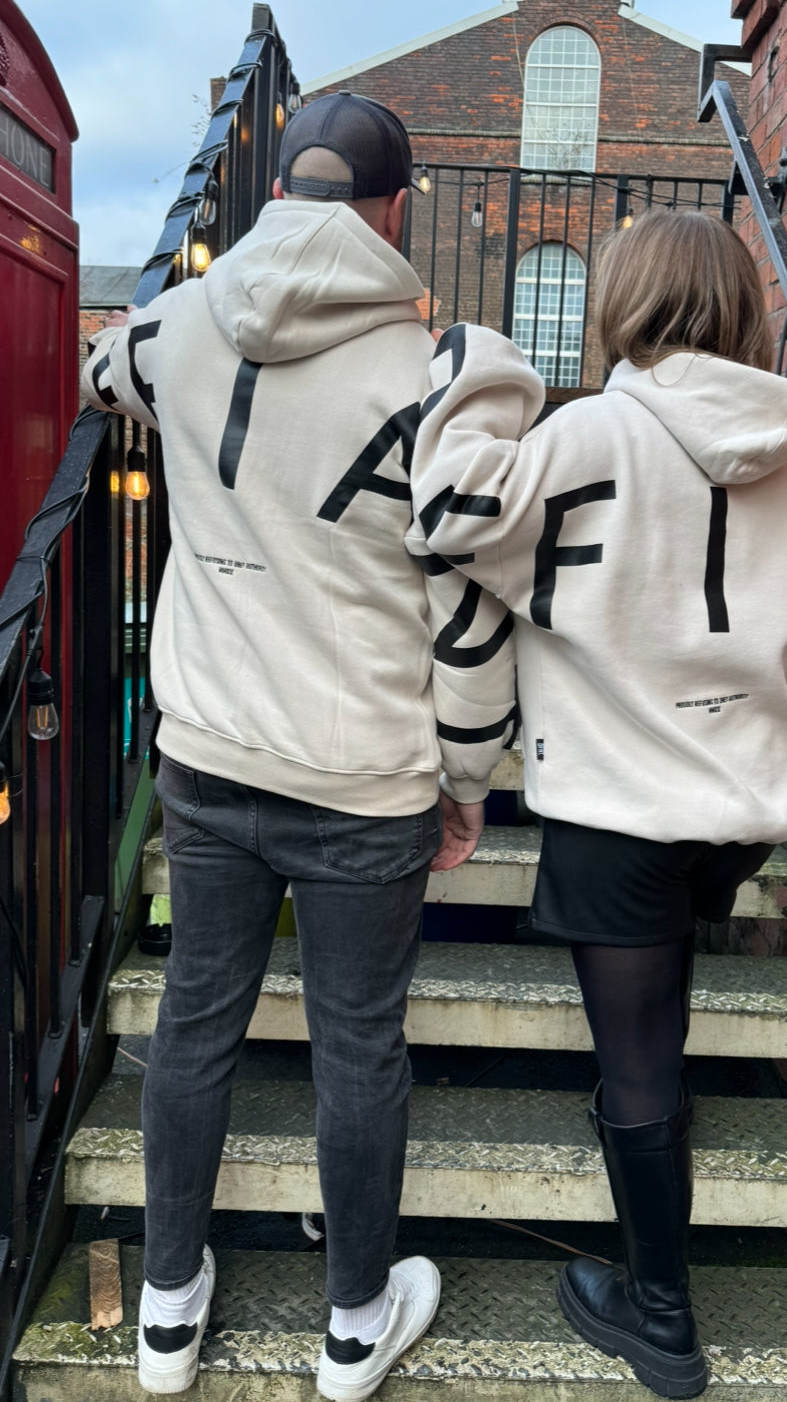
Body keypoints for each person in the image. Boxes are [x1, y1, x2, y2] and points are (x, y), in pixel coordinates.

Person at [81, 93, 519, 1399]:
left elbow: (102, 366)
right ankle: (348, 1331)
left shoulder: (176, 330)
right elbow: (468, 608)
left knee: (193, 1021)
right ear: (393, 211)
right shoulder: (440, 375)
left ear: (274, 193)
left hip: (209, 759)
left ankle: (164, 1317)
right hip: (365, 777)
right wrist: (467, 779)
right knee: (358, 1047)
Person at [408, 208, 787, 1399]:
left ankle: (661, 1318)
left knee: (638, 1061)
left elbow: (447, 518)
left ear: (624, 304)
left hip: (618, 812)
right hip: (737, 809)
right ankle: (653, 1268)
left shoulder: (588, 435)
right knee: (665, 1035)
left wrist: (474, 381)